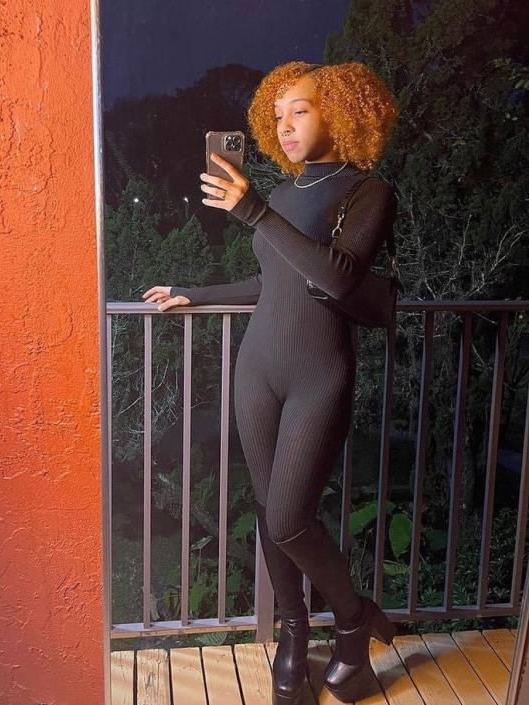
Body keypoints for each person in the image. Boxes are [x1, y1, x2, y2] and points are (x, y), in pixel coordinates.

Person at [142, 60, 399, 704]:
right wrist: (194, 293)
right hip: (258, 368)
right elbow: (272, 282)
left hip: (320, 373)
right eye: (276, 116)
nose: (284, 127)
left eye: (300, 111)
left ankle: (352, 618)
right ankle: (293, 633)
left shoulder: (369, 191)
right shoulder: (282, 195)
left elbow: (337, 276)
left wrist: (253, 208)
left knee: (288, 516)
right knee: (267, 508)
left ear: (338, 112)